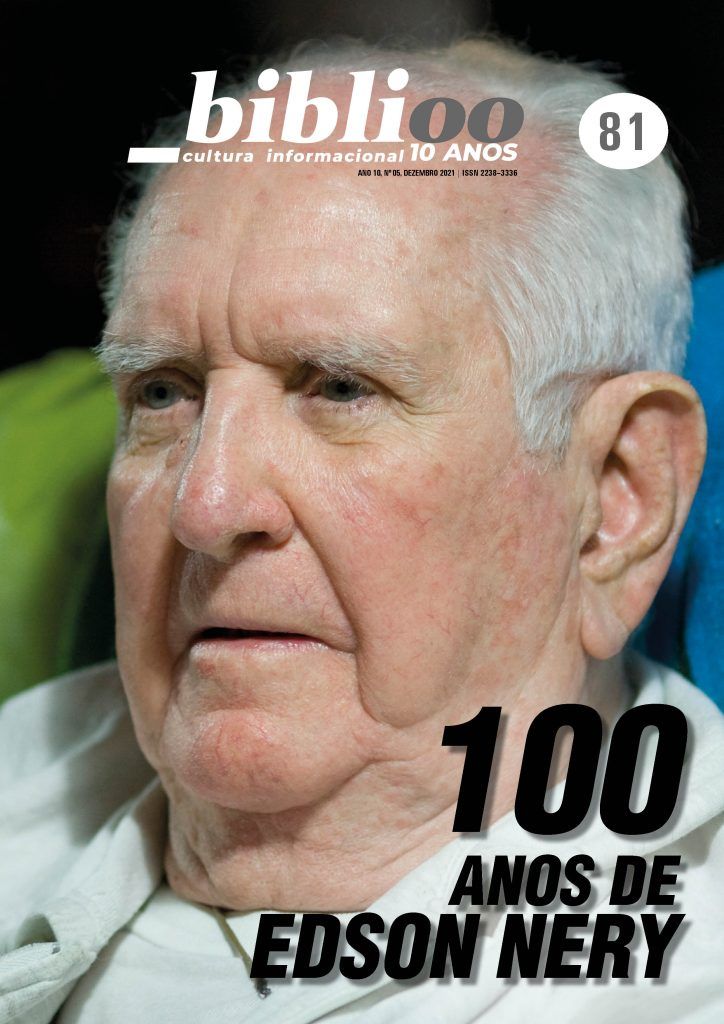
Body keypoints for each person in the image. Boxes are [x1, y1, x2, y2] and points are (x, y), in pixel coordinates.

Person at [1, 35, 722, 1024]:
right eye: (163, 392)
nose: (206, 508)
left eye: (339, 387)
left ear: (615, 498)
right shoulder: (28, 767)